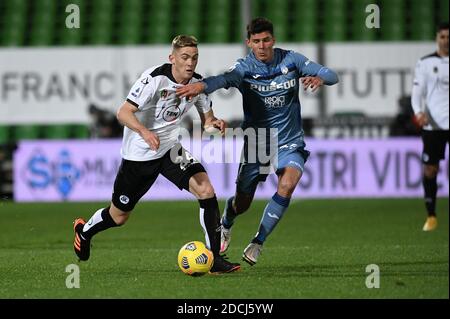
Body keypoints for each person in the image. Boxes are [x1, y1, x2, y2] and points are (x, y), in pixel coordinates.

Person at [177, 18, 339, 265]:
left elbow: (331, 74)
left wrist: (320, 78)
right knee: (242, 202)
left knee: (287, 184)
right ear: (248, 43)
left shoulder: (291, 60)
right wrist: (201, 86)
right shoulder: (244, 67)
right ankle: (227, 223)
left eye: (266, 40)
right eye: (256, 41)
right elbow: (224, 79)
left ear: (273, 40)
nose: (262, 46)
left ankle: (258, 241)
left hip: (289, 140)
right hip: (257, 143)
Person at [73, 35, 241, 274]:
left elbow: (207, 121)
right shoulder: (154, 79)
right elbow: (123, 113)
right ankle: (85, 231)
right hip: (139, 156)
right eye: (184, 57)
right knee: (118, 216)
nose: (190, 63)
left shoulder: (198, 86)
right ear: (172, 58)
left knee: (206, 190)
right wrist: (143, 132)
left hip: (170, 150)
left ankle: (214, 259)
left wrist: (216, 124)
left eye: (194, 58)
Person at [411, 22, 449, 231]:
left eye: (448, 37)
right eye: (442, 37)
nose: (446, 40)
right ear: (437, 38)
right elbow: (417, 92)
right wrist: (418, 112)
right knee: (430, 169)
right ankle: (431, 215)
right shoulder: (425, 63)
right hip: (433, 126)